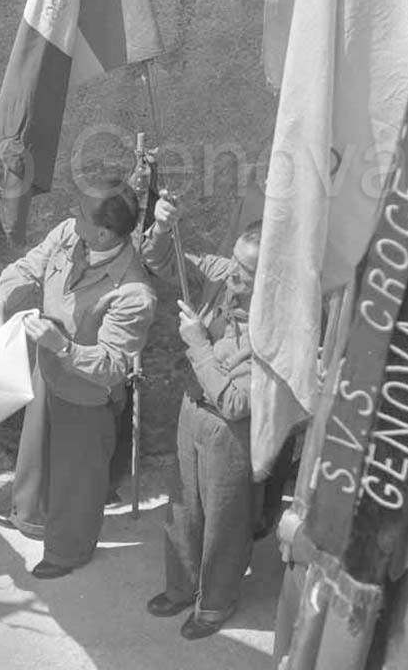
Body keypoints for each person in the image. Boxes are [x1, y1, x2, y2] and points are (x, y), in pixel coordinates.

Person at [0, 174, 156, 579]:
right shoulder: (70, 234)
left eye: (82, 214)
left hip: (88, 394)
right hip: (49, 370)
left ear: (104, 233)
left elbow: (112, 365)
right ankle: (32, 520)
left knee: (78, 475)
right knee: (36, 456)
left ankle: (68, 551)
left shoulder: (133, 294)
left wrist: (64, 348)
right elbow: (28, 267)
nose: (73, 217)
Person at [141, 194, 260, 640]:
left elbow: (235, 403)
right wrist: (161, 226)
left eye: (246, 271)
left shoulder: (273, 329)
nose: (233, 274)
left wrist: (196, 341)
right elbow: (162, 261)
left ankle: (216, 602)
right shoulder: (222, 274)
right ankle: (182, 585)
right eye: (235, 261)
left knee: (225, 521)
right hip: (192, 409)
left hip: (231, 433)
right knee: (183, 506)